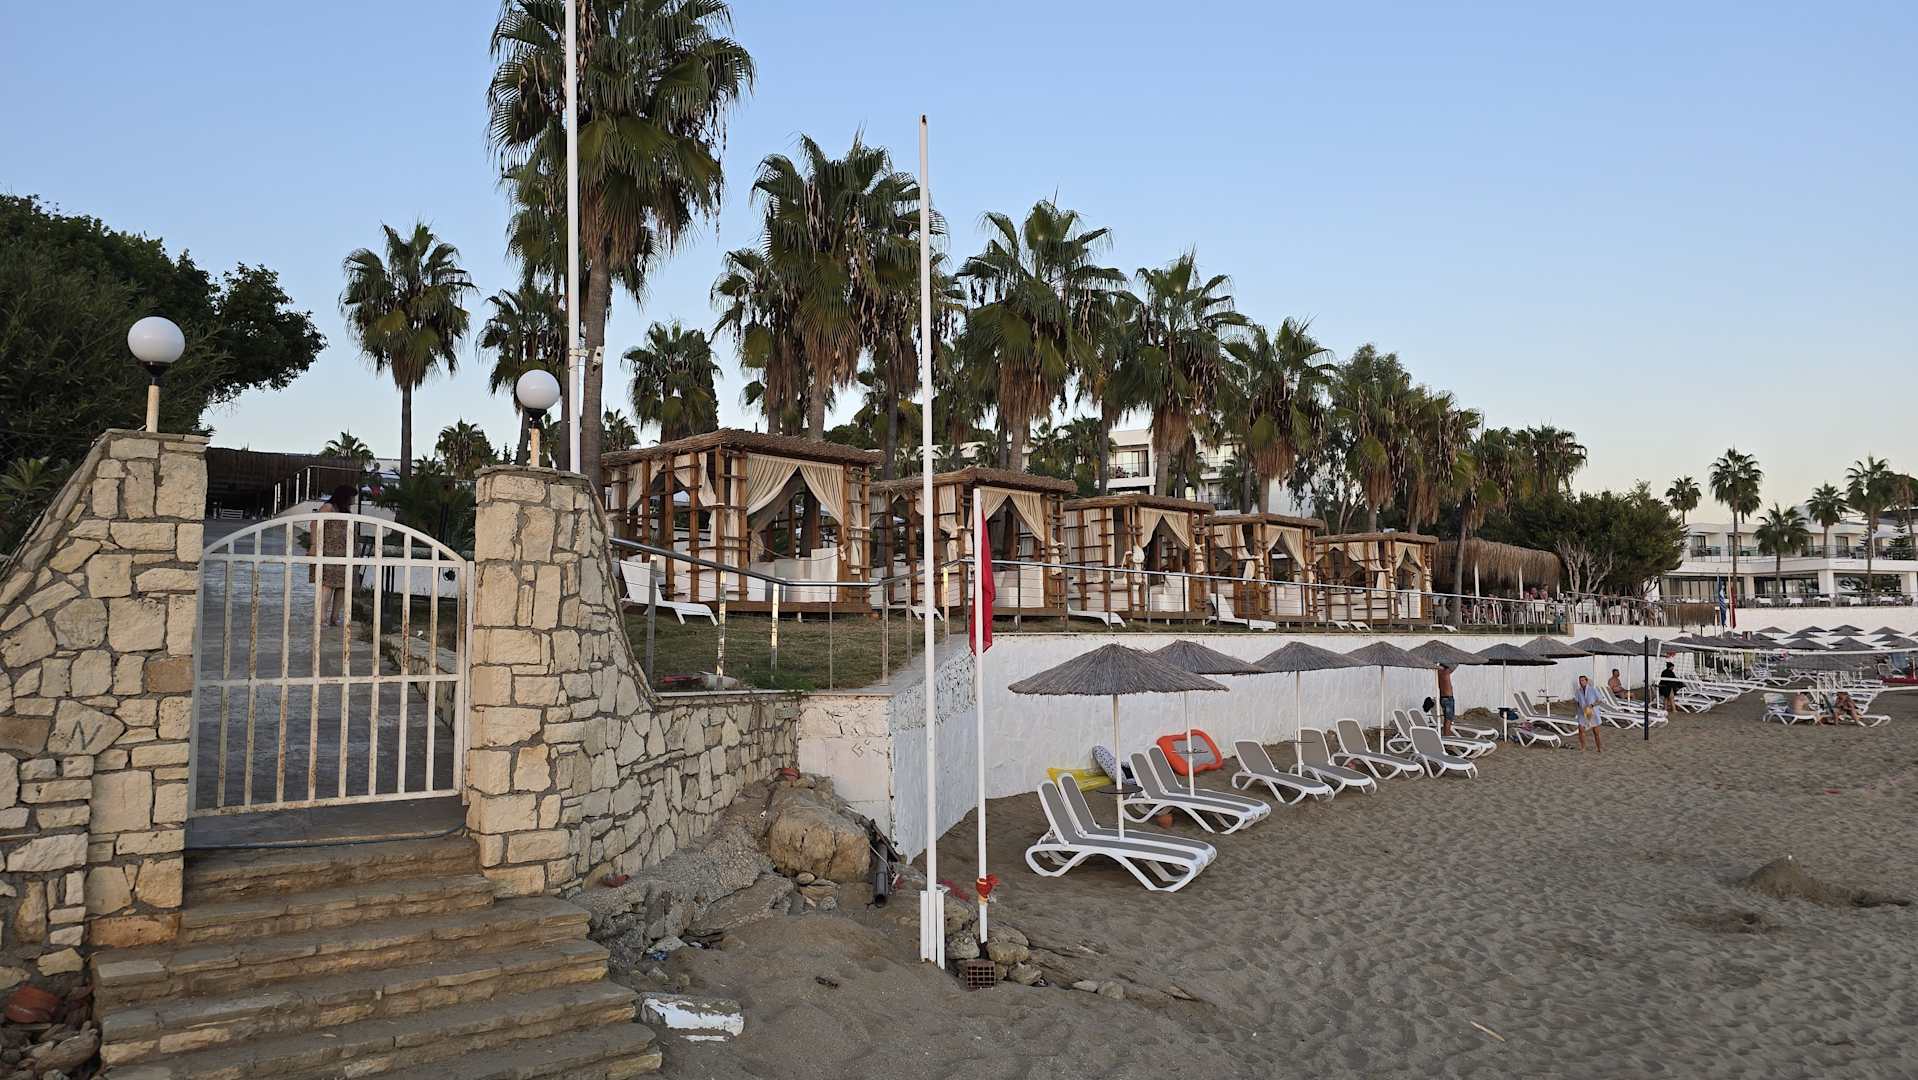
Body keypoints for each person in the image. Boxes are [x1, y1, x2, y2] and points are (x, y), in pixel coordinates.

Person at [309, 484, 357, 627]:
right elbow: (315, 524)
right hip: (329, 553)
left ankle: (335, 618)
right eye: (352, 496)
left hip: (345, 555)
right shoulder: (329, 507)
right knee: (327, 585)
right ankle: (321, 617)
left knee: (343, 586)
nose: (354, 499)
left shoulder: (345, 510)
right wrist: (314, 545)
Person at [1572, 674, 1603, 752]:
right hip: (1582, 712)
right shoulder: (1578, 691)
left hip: (1592, 711)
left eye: (1582, 680)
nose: (1581, 682)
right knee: (1581, 729)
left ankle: (1599, 748)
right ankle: (1583, 748)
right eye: (1580, 681)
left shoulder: (1593, 689)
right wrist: (1578, 709)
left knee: (1595, 732)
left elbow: (1600, 700)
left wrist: (1592, 705)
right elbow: (1576, 701)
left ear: (1586, 681)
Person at [1435, 662, 1457, 736]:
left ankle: (1446, 735)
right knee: (1448, 720)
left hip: (1443, 698)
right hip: (1448, 699)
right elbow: (1454, 666)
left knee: (1446, 719)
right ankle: (1447, 736)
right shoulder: (1446, 672)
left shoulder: (1438, 672)